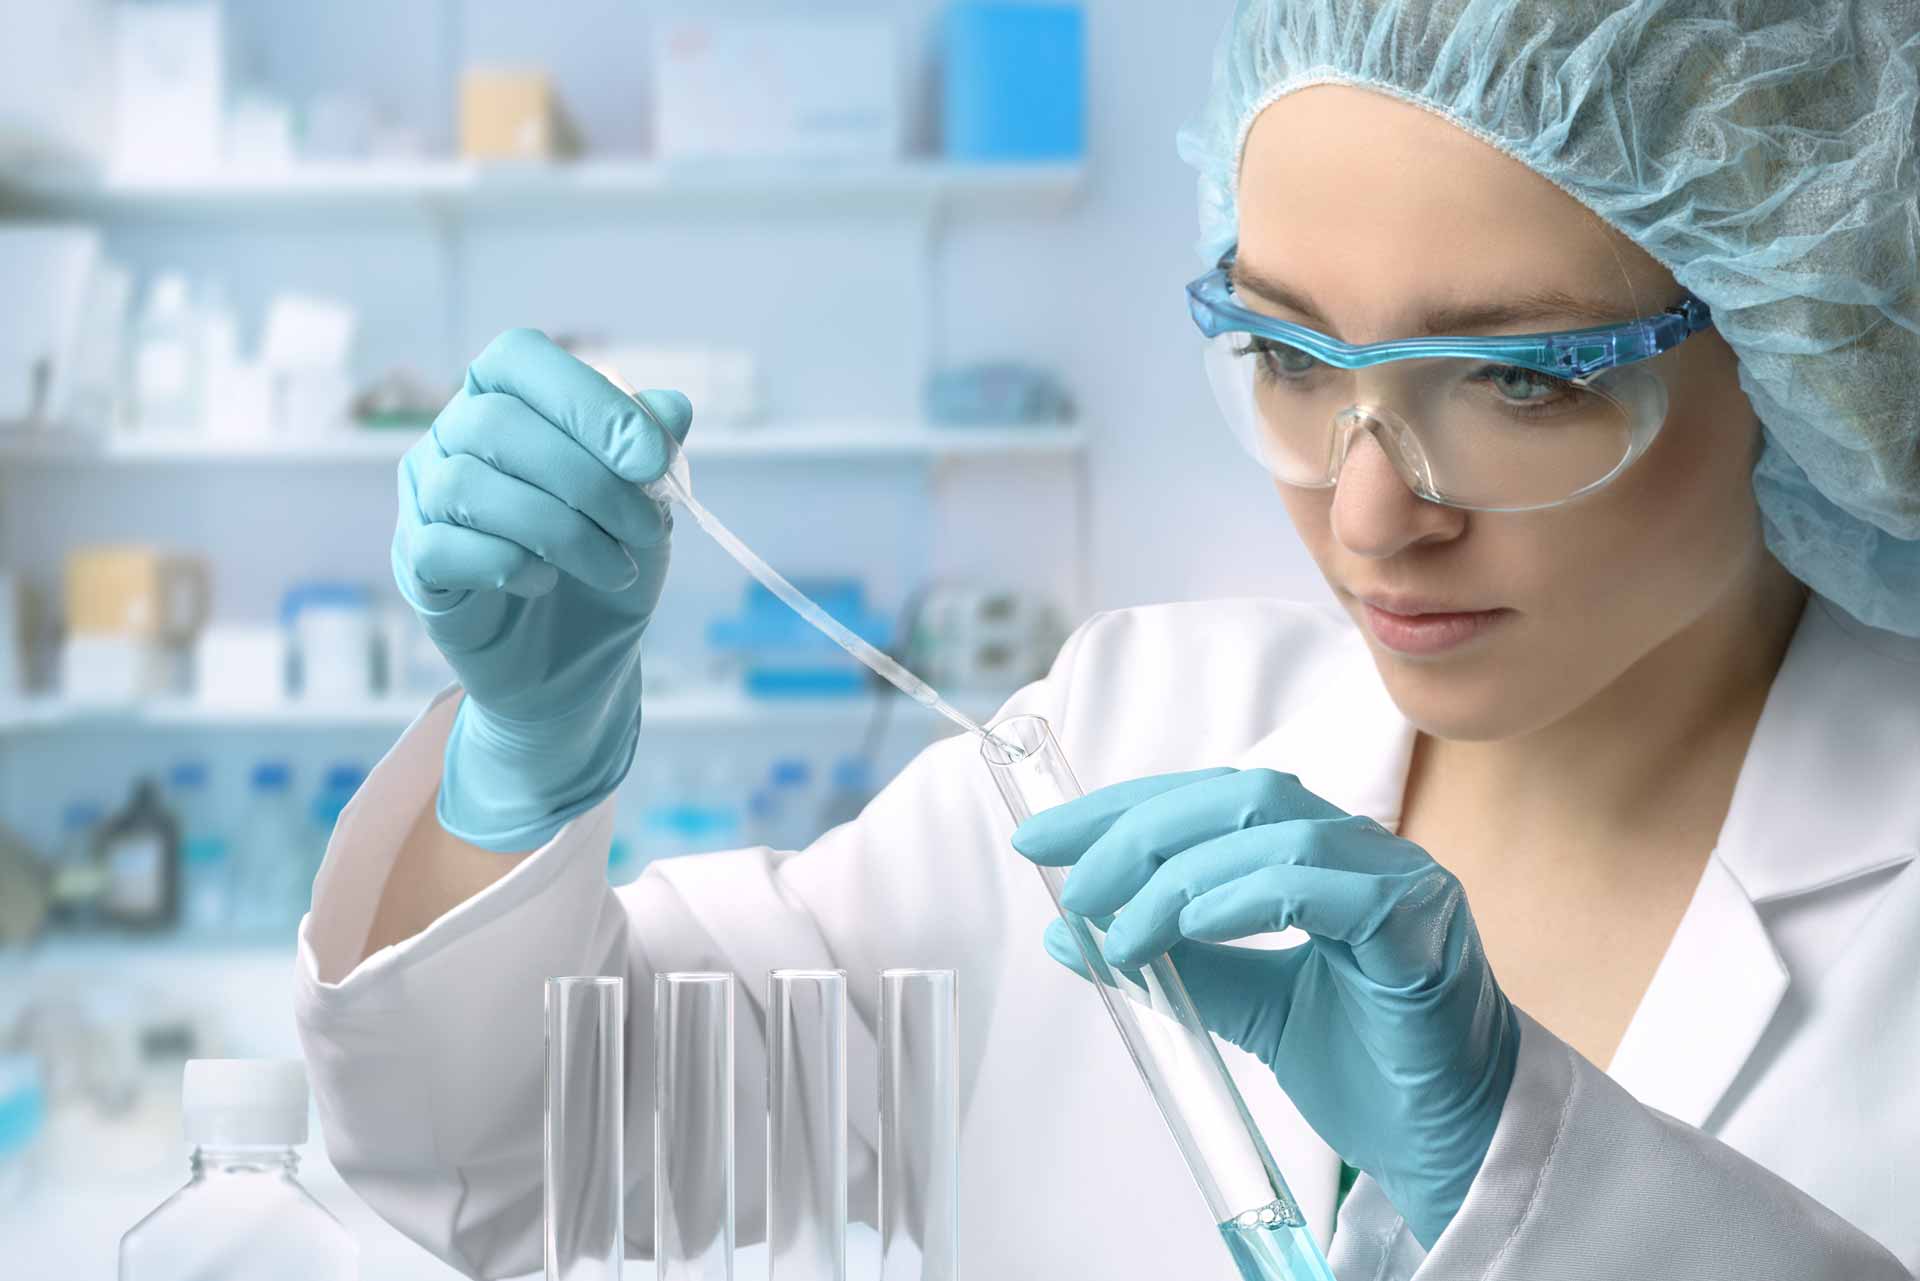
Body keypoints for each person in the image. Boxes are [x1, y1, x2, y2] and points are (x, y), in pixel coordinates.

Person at [295, 2, 1919, 1278]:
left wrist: (1524, 1167)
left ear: (1808, 332)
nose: (1367, 518)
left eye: (1522, 380)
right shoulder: (1123, 735)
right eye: (1287, 353)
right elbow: (511, 1158)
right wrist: (519, 766)